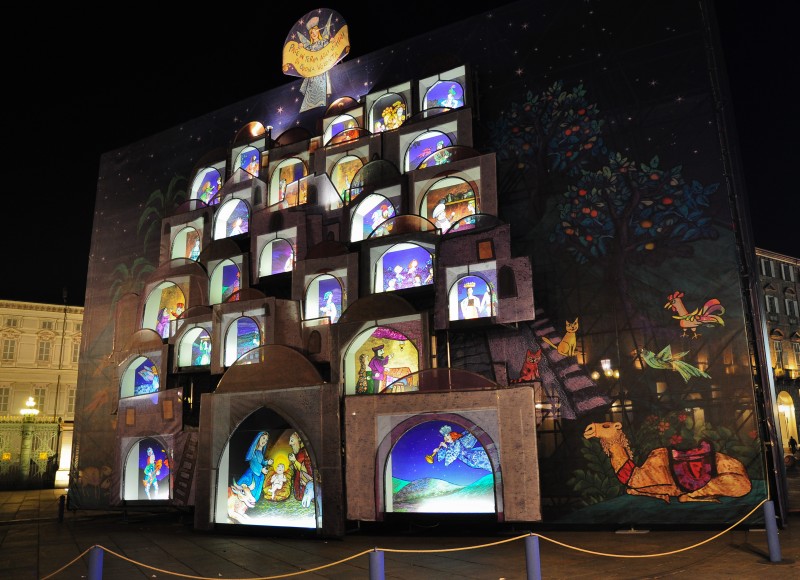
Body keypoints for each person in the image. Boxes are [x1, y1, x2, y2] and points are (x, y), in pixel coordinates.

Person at [298, 14, 333, 112]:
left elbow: (330, 50)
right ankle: (311, 109)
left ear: (318, 31)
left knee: (321, 92)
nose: (314, 34)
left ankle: (322, 107)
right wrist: (300, 48)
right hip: (312, 74)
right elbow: (304, 57)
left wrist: (332, 42)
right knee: (311, 93)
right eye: (311, 32)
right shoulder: (309, 47)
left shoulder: (323, 42)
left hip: (322, 71)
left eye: (315, 31)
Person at [236, 431, 273, 502]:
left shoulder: (260, 453)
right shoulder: (253, 452)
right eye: (263, 438)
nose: (264, 441)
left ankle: (252, 499)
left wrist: (267, 462)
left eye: (266, 440)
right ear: (258, 438)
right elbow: (254, 462)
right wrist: (261, 469)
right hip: (252, 473)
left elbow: (261, 461)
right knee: (248, 485)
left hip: (258, 474)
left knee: (256, 487)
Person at [288, 431, 315, 508]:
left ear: (299, 439)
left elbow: (306, 470)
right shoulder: (300, 452)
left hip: (306, 484)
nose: (289, 443)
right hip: (301, 486)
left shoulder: (305, 452)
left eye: (292, 440)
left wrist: (294, 461)